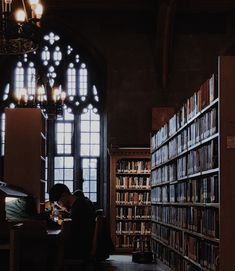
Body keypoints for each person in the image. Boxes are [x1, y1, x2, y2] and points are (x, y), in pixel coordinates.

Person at [49, 183, 96, 261]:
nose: (59, 205)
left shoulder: (78, 207)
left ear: (64, 195)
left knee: (48, 247)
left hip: (80, 249)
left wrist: (54, 222)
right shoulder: (81, 202)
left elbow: (72, 232)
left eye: (58, 202)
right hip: (84, 245)